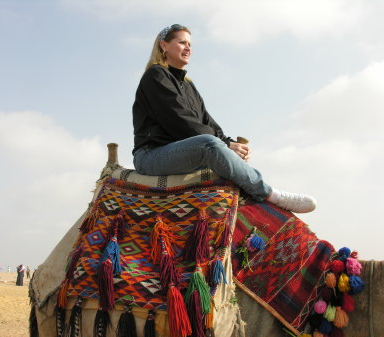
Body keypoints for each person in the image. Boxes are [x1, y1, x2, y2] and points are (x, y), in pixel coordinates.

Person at [132, 24, 316, 213]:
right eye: (182, 43)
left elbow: (207, 122)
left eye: (190, 44)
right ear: (164, 45)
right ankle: (272, 195)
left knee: (219, 147)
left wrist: (229, 143)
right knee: (209, 144)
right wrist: (223, 144)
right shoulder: (155, 75)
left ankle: (248, 202)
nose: (188, 48)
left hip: (181, 153)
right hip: (151, 155)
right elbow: (180, 121)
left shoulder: (188, 86)